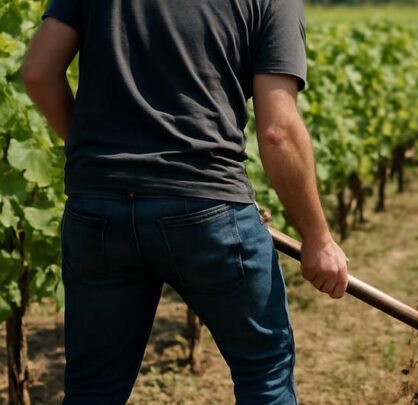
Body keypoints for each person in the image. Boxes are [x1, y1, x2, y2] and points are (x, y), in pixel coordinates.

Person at [22, 0, 349, 403]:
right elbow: (278, 130)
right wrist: (317, 238)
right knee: (263, 372)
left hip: (98, 207)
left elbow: (37, 73)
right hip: (206, 206)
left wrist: (99, 161)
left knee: (93, 388)